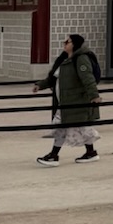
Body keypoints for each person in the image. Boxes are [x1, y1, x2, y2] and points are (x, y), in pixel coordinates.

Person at [36, 33, 101, 163]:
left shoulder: (81, 59)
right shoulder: (65, 59)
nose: (65, 44)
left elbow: (87, 78)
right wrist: (40, 85)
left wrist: (94, 96)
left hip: (75, 100)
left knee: (66, 126)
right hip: (66, 101)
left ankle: (54, 155)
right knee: (77, 127)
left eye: (68, 42)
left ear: (75, 44)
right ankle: (90, 152)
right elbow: (54, 78)